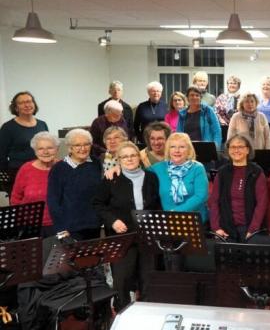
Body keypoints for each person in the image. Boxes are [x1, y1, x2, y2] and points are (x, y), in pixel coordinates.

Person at [92, 141, 160, 311]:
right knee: (122, 277)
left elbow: (157, 204)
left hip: (147, 236)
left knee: (148, 276)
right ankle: (122, 311)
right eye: (124, 156)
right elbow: (98, 204)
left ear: (139, 157)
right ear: (119, 159)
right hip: (122, 236)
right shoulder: (111, 178)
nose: (129, 159)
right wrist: (113, 221)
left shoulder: (151, 177)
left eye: (133, 155)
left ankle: (147, 310)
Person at [209, 134, 268, 242]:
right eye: (233, 147)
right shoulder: (222, 172)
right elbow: (214, 201)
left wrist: (253, 230)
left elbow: (262, 203)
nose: (236, 150)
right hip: (226, 229)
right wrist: (216, 228)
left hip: (250, 229)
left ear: (247, 150)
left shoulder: (256, 172)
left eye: (240, 147)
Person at [47, 128, 102, 240]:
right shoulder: (58, 169)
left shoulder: (96, 163)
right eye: (77, 145)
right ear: (69, 148)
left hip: (94, 224)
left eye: (86, 144)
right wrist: (61, 230)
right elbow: (53, 201)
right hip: (70, 228)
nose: (83, 148)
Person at [150, 132, 210, 223]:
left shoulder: (197, 168)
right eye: (172, 147)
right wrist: (119, 165)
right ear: (168, 150)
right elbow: (135, 171)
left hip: (194, 220)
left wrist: (176, 212)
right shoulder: (157, 168)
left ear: (189, 150)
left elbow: (201, 196)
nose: (177, 150)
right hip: (169, 221)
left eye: (182, 147)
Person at [10, 131, 60, 237]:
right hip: (29, 225)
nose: (45, 152)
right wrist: (19, 223)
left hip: (58, 224)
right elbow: (15, 198)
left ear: (57, 149)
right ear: (35, 151)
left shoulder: (63, 167)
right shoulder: (26, 169)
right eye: (40, 148)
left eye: (50, 148)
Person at [0, 91, 49, 191]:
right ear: (16, 107)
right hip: (18, 173)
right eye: (22, 103)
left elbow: (48, 147)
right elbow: (1, 154)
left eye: (29, 101)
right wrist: (8, 176)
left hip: (42, 170)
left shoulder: (42, 124)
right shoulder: (8, 127)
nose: (27, 105)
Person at [215, 75, 242, 143]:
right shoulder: (221, 97)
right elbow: (216, 112)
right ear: (227, 85)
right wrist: (222, 122)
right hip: (224, 127)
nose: (232, 85)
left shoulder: (242, 98)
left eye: (234, 83)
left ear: (238, 86)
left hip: (238, 128)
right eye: (230, 83)